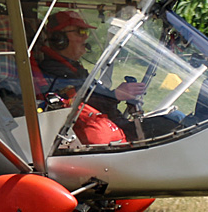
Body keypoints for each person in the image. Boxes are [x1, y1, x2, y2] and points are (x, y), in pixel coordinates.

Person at [33, 9, 146, 145]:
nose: (85, 37)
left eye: (85, 32)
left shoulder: (74, 68)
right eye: (80, 32)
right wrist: (114, 95)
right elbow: (76, 102)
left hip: (114, 126)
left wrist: (114, 96)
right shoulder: (53, 71)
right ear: (59, 40)